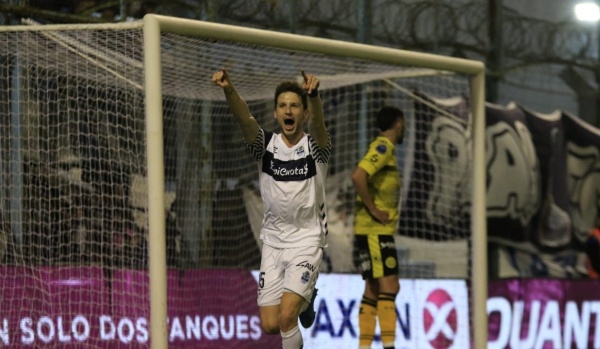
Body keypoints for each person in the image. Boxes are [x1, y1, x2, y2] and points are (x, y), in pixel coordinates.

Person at [212, 68, 331, 349]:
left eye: (294, 106)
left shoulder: (316, 148)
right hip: (274, 243)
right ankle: (307, 299)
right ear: (276, 114)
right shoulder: (265, 146)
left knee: (287, 317)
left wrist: (313, 96)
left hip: (307, 240)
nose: (288, 110)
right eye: (282, 106)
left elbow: (320, 127)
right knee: (270, 324)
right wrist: (229, 88)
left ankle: (301, 300)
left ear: (303, 113)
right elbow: (245, 119)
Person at [351, 105, 405, 349]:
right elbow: (358, 176)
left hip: (372, 231)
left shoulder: (387, 150)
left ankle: (364, 347)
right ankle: (389, 346)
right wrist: (373, 209)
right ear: (399, 123)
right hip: (374, 231)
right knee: (390, 285)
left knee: (373, 288)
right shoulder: (382, 148)